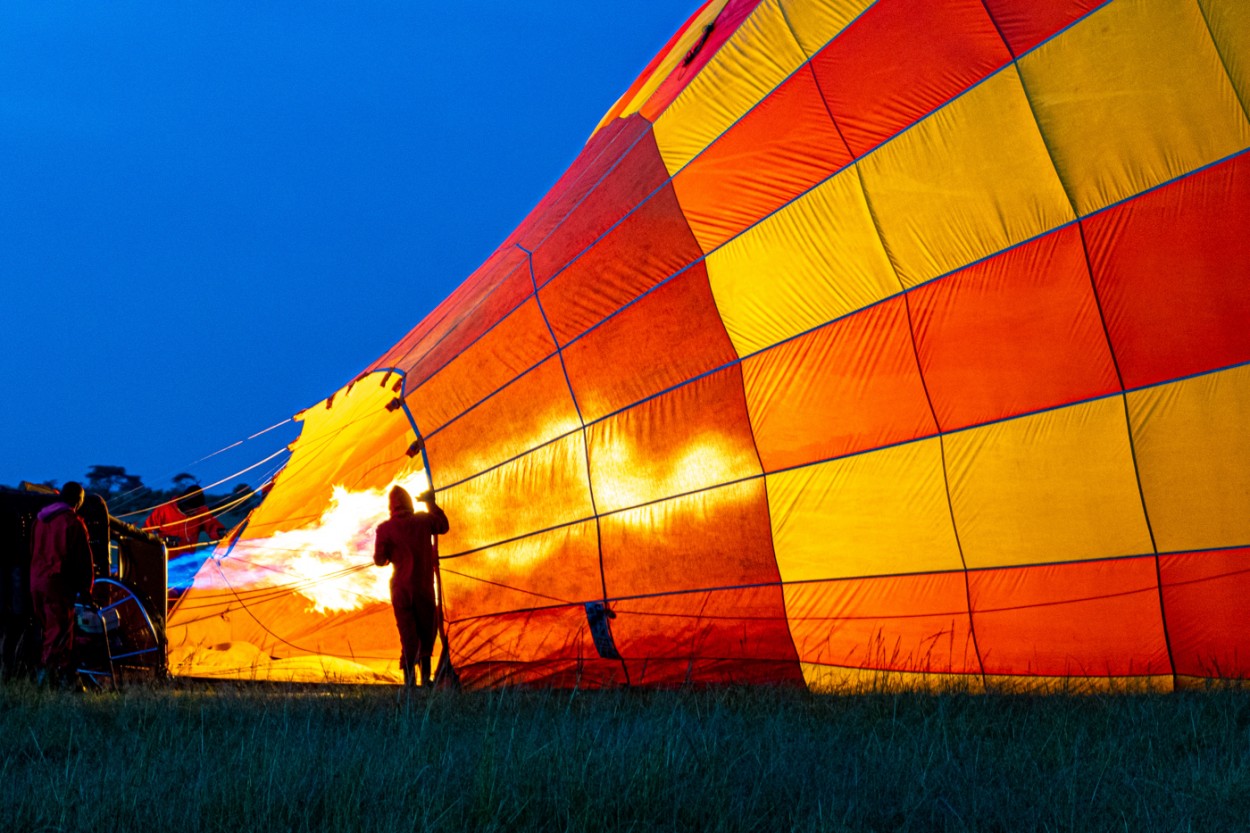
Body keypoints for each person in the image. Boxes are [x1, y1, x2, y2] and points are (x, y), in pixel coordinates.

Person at [374, 486, 449, 688]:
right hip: (423, 588)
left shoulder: (384, 529)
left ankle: (409, 686)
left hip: (401, 591)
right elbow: (443, 525)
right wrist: (431, 503)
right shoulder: (424, 520)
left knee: (408, 637)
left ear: (391, 506)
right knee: (426, 635)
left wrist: (390, 555)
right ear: (409, 502)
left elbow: (379, 561)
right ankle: (425, 681)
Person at [29, 481, 94, 687]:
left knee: (47, 628)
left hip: (36, 580)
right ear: (79, 499)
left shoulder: (40, 520)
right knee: (59, 631)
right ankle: (49, 679)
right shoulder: (72, 522)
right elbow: (83, 559)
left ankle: (58, 677)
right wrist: (86, 590)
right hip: (57, 582)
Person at [143, 485, 225, 552]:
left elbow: (211, 525)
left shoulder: (200, 511)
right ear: (183, 503)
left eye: (195, 510)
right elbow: (145, 534)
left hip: (187, 562)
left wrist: (219, 532)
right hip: (165, 562)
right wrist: (164, 539)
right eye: (190, 509)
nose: (192, 513)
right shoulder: (163, 511)